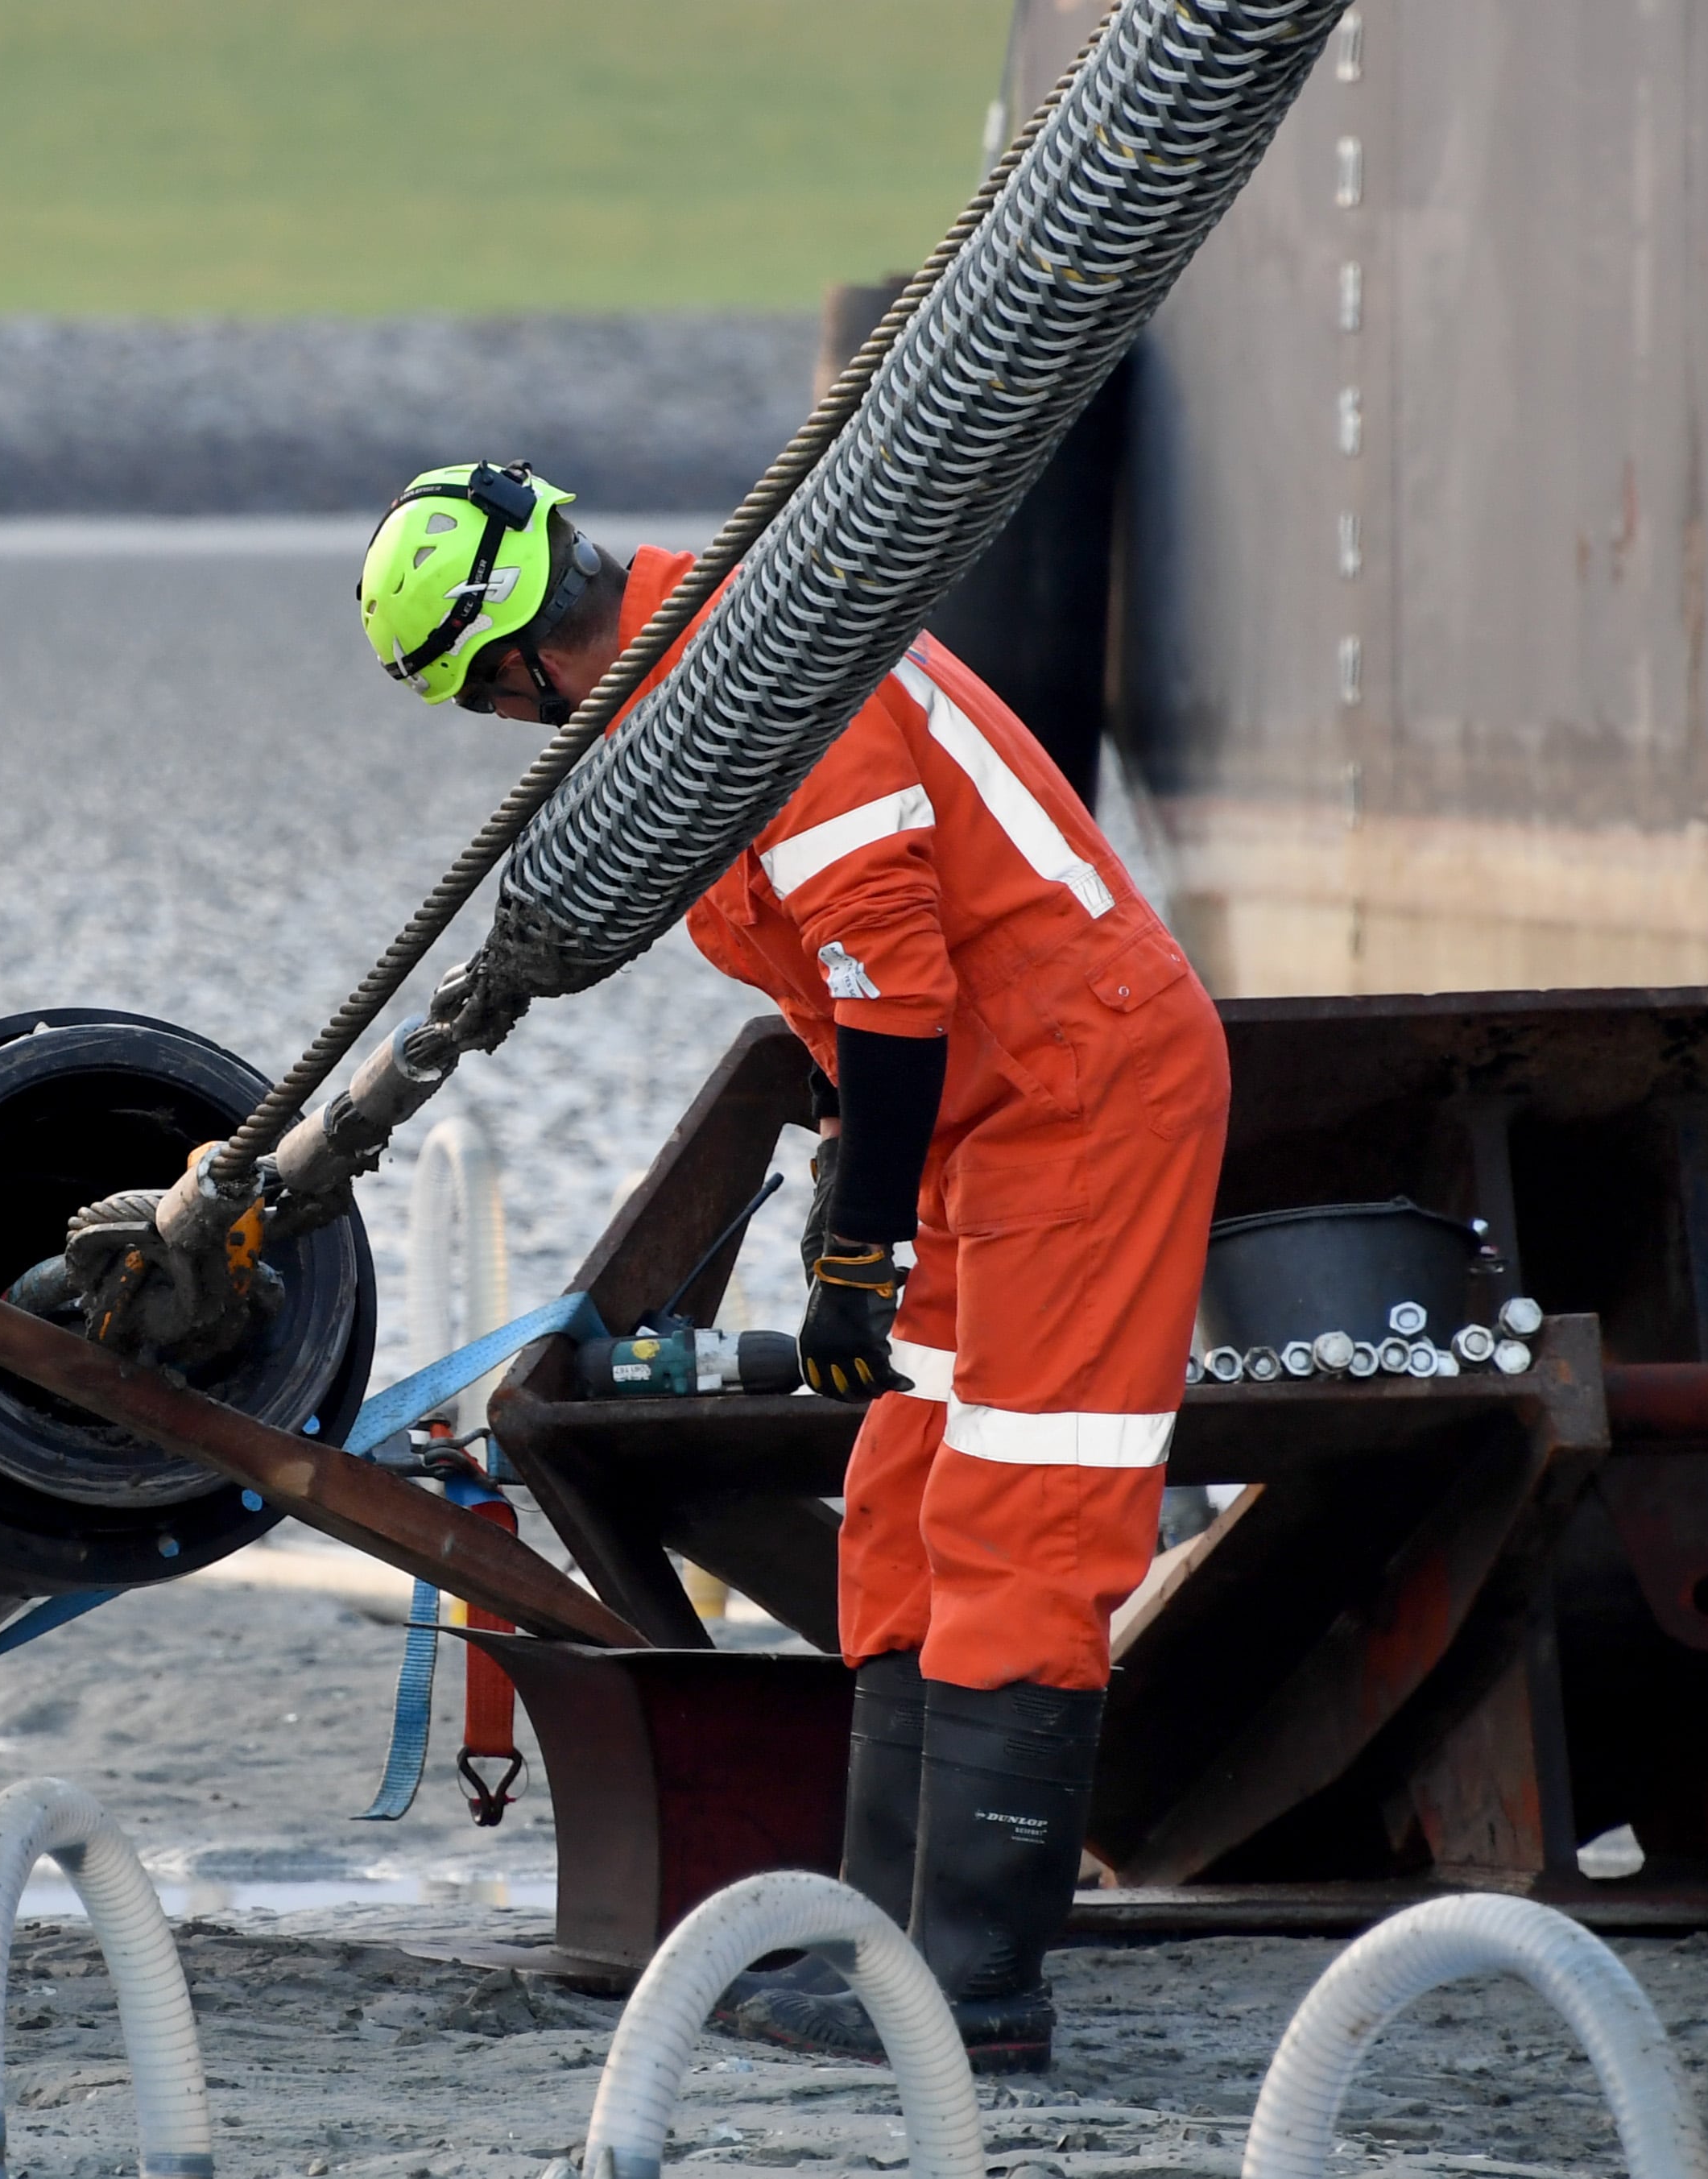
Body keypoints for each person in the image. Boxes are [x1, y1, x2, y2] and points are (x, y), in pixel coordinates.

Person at [354, 462, 1230, 2073]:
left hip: (1079, 1098)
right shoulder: (692, 691)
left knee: (1024, 1512)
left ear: (515, 663)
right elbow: (852, 1006)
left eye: (486, 701)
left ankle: (977, 1986)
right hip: (974, 1120)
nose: (510, 729)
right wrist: (856, 1190)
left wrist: (857, 1252)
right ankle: (889, 1940)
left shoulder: (767, 673)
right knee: (904, 1506)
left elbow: (892, 987)